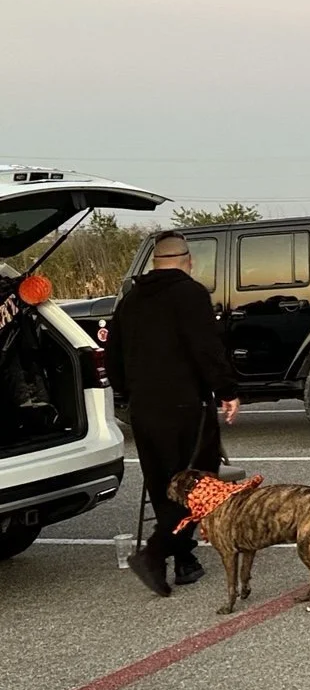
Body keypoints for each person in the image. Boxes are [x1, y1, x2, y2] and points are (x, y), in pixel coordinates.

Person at [106, 231, 240, 597]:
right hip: (184, 405)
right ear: (186, 260)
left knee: (164, 484)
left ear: (154, 262)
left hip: (145, 410)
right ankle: (155, 554)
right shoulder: (191, 294)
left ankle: (185, 562)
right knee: (199, 485)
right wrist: (226, 390)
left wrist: (131, 393)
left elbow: (113, 361)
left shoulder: (129, 301)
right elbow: (207, 348)